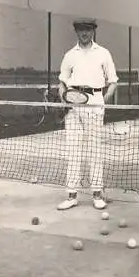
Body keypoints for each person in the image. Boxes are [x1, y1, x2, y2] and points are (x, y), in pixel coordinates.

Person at [57, 17, 118, 211]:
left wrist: (104, 98)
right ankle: (71, 195)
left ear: (93, 31)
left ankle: (97, 194)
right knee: (73, 149)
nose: (85, 33)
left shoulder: (103, 53)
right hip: (73, 103)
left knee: (95, 150)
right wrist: (64, 98)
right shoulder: (69, 55)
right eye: (81, 30)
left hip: (95, 102)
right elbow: (62, 81)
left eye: (88, 30)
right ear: (76, 31)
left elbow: (113, 81)